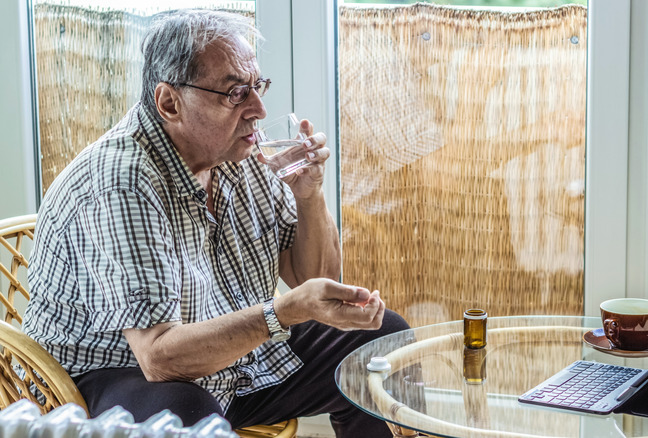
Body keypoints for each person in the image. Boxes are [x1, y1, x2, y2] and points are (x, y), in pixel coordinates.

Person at [23, 9, 406, 437]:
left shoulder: (240, 153)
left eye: (257, 86)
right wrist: (282, 313)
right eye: (235, 93)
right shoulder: (122, 182)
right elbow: (158, 358)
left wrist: (309, 195)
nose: (258, 109)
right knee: (185, 412)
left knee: (381, 341)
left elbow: (315, 278)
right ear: (169, 102)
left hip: (226, 359)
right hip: (106, 377)